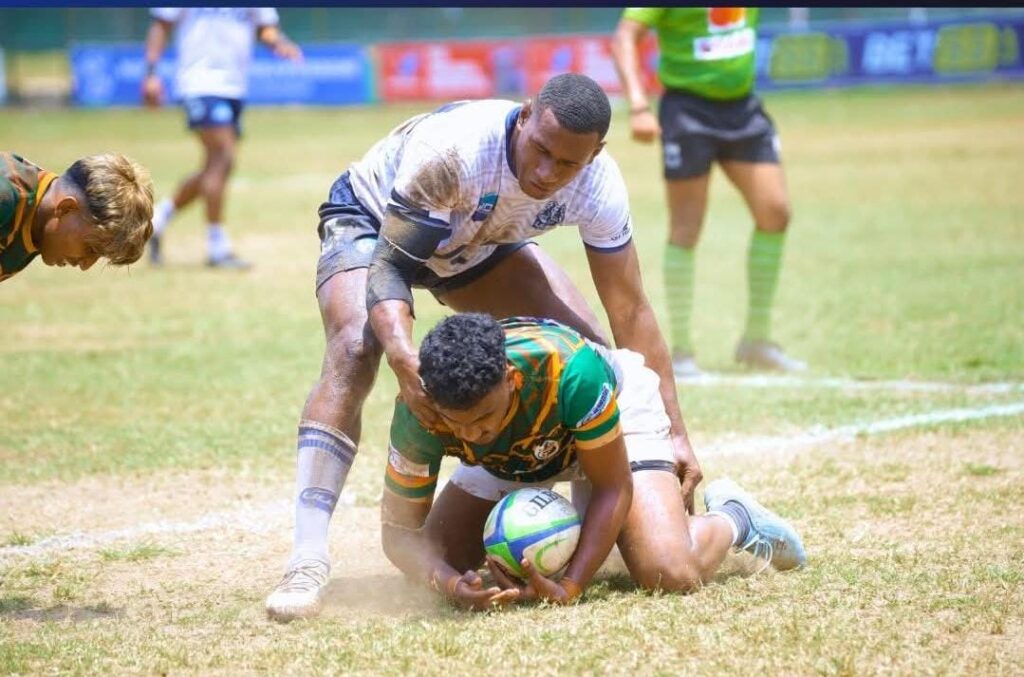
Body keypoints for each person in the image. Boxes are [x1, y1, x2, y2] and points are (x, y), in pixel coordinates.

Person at [265, 73, 704, 621]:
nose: (546, 174)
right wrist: (403, 355)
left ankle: (612, 519)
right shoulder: (454, 153)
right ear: (525, 115)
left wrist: (676, 432)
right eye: (540, 150)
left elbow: (630, 309)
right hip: (377, 222)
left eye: (567, 164)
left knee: (585, 358)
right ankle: (307, 559)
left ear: (595, 155)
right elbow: (391, 267)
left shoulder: (599, 185)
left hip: (476, 243)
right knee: (356, 346)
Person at [381, 313, 806, 609]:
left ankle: (735, 517)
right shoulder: (419, 412)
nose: (472, 434)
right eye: (457, 424)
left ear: (511, 379)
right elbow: (399, 534)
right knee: (443, 557)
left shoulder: (571, 371)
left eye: (483, 418)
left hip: (610, 419)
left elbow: (612, 486)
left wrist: (571, 585)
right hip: (513, 457)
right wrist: (450, 584)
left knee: (668, 571)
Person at [612, 7, 807, 377]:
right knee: (686, 228)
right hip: (688, 111)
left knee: (776, 212)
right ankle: (681, 351)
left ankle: (757, 340)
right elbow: (625, 36)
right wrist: (638, 105)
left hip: (744, 108)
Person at [141, 7, 302, 269]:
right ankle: (217, 247)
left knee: (215, 167)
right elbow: (161, 25)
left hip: (234, 86)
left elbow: (265, 27)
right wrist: (150, 74)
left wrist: (279, 42)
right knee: (223, 157)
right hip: (199, 82)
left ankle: (158, 219)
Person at [1, 151, 154, 282]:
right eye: (90, 248)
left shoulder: (35, 230)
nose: (85, 266)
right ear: (66, 208)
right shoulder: (6, 197)